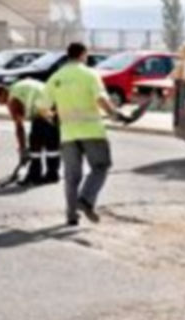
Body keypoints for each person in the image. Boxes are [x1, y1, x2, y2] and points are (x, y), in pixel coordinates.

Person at [42, 43, 120, 226]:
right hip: (92, 131)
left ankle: (71, 215)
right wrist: (114, 114)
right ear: (83, 55)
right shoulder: (90, 74)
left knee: (71, 177)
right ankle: (85, 199)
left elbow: (43, 108)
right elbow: (100, 99)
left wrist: (54, 119)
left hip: (68, 134)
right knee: (101, 166)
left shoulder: (56, 77)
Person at [0, 79, 61, 185]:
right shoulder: (18, 88)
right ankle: (52, 175)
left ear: (3, 93)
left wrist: (23, 149)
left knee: (35, 145)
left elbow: (19, 128)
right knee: (51, 143)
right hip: (55, 105)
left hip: (43, 110)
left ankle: (34, 175)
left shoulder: (12, 100)